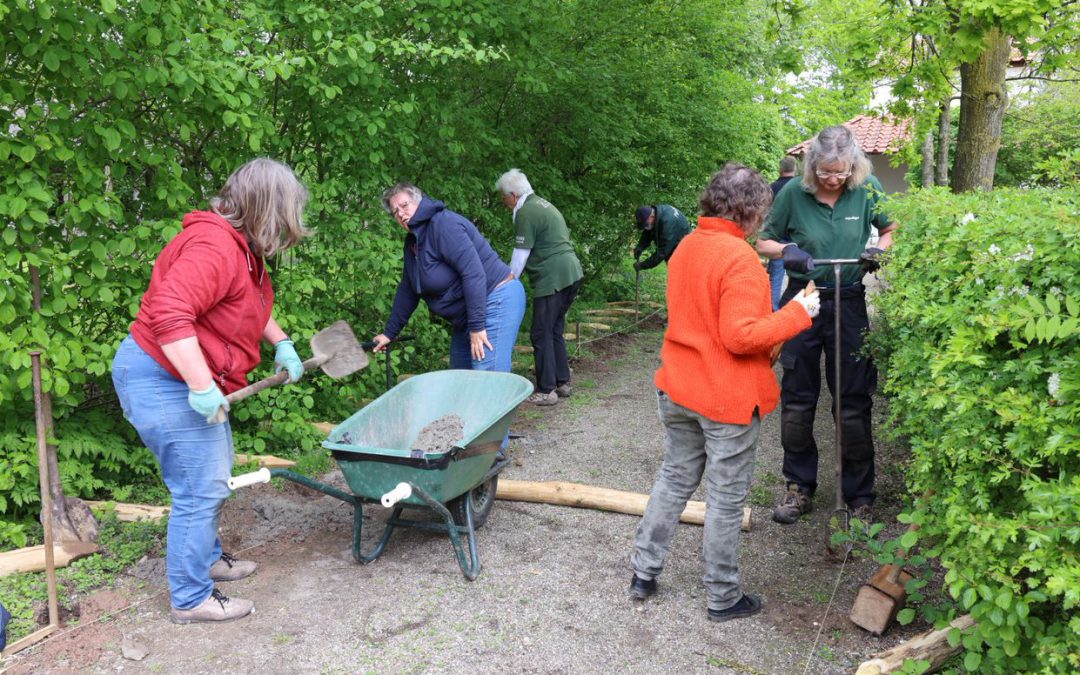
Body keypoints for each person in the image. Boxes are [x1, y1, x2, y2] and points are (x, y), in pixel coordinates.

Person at [111, 158, 311, 624]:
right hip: (161, 376)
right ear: (265, 209)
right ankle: (190, 596)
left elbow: (244, 308)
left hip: (183, 375)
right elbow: (169, 314)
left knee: (214, 476)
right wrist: (201, 386)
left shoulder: (241, 250)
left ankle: (206, 560)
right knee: (199, 489)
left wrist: (281, 342)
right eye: (283, 219)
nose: (284, 232)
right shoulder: (214, 246)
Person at [629, 163, 819, 623]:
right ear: (752, 213)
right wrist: (799, 311)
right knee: (726, 499)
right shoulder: (739, 261)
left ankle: (642, 572)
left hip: (678, 387)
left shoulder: (688, 244)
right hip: (723, 398)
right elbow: (740, 336)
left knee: (674, 479)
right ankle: (722, 595)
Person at [755, 125, 898, 525]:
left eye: (840, 172)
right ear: (812, 166)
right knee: (798, 398)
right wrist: (789, 250)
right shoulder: (792, 194)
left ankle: (859, 495)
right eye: (825, 172)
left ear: (853, 166)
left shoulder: (866, 186)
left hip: (849, 300)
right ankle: (799, 487)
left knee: (853, 401)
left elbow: (890, 228)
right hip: (803, 299)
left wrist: (876, 251)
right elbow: (763, 240)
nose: (832, 179)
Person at [371, 183, 525, 376]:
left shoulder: (443, 225)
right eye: (395, 212)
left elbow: (473, 273)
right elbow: (409, 289)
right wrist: (389, 333)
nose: (401, 213)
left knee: (488, 379)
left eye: (404, 205)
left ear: (419, 202)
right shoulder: (413, 242)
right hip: (467, 314)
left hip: (496, 299)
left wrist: (477, 326)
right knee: (459, 379)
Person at [495, 169, 583, 406]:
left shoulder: (525, 212)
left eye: (504, 198)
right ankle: (562, 382)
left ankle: (546, 390)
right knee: (553, 329)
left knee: (540, 332)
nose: (504, 203)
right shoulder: (542, 204)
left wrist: (509, 279)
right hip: (572, 272)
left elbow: (521, 254)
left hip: (552, 276)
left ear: (513, 195)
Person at [767, 156, 798, 311]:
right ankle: (797, 312)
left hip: (776, 241)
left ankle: (774, 311)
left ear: (780, 169)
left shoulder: (771, 188)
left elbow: (765, 214)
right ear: (795, 169)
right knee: (800, 279)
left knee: (775, 279)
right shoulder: (801, 188)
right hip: (798, 241)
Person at [632, 204, 691, 272]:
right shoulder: (656, 213)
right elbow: (648, 231)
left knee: (677, 270)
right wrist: (641, 246)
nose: (646, 226)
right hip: (672, 237)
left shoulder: (667, 224)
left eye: (646, 223)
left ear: (652, 216)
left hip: (682, 245)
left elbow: (662, 252)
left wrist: (643, 265)